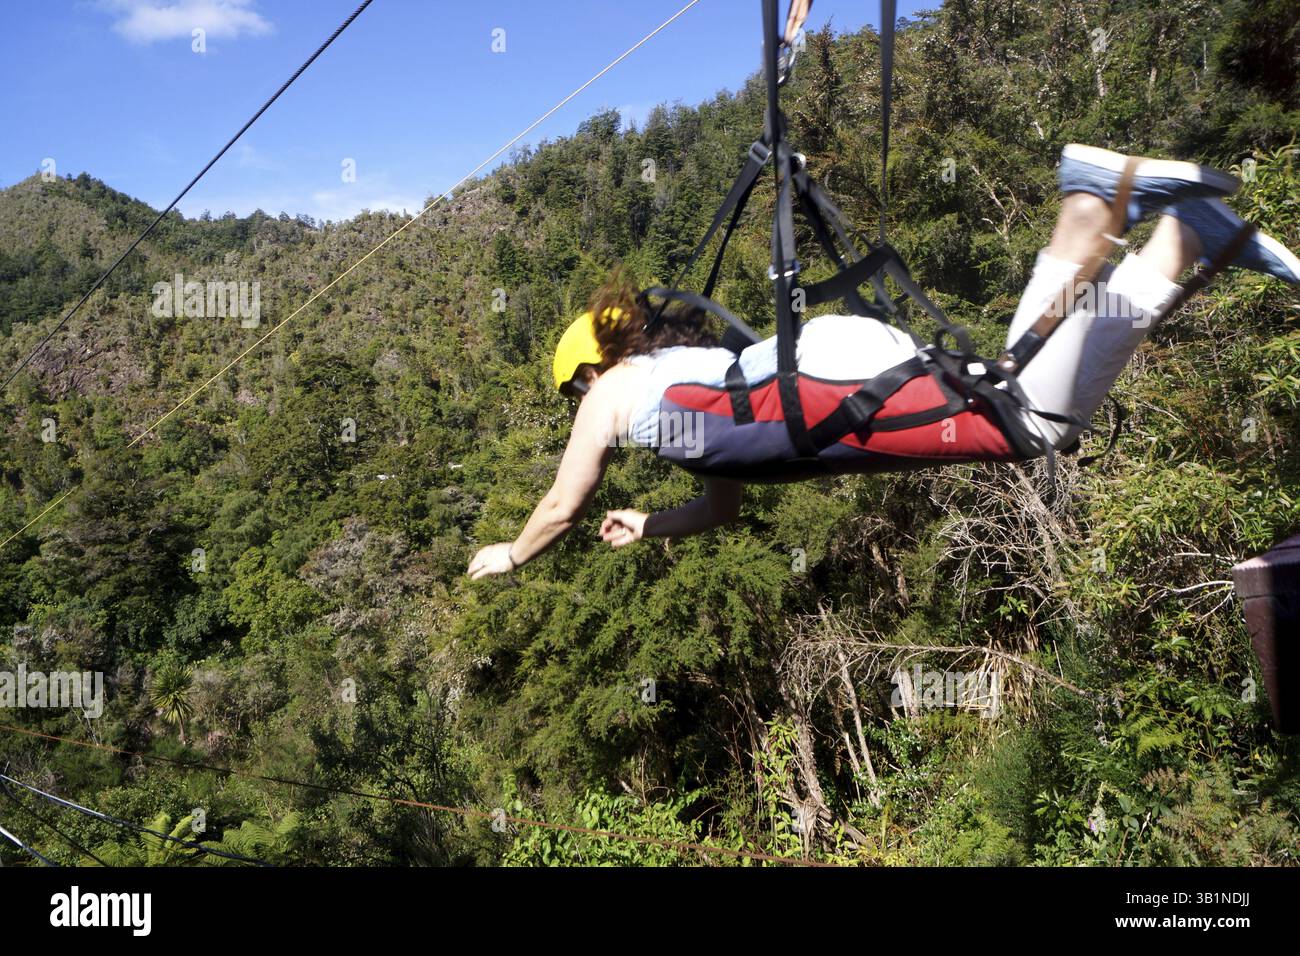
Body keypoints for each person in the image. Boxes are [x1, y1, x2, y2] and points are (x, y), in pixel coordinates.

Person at [467, 145, 1300, 580]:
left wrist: (512, 552)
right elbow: (722, 508)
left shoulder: (609, 394)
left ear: (587, 369)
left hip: (832, 388)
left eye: (574, 388)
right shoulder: (678, 396)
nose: (579, 402)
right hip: (829, 371)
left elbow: (560, 504)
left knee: (1031, 421)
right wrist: (649, 525)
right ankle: (1181, 236)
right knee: (1017, 397)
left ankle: (1090, 204)